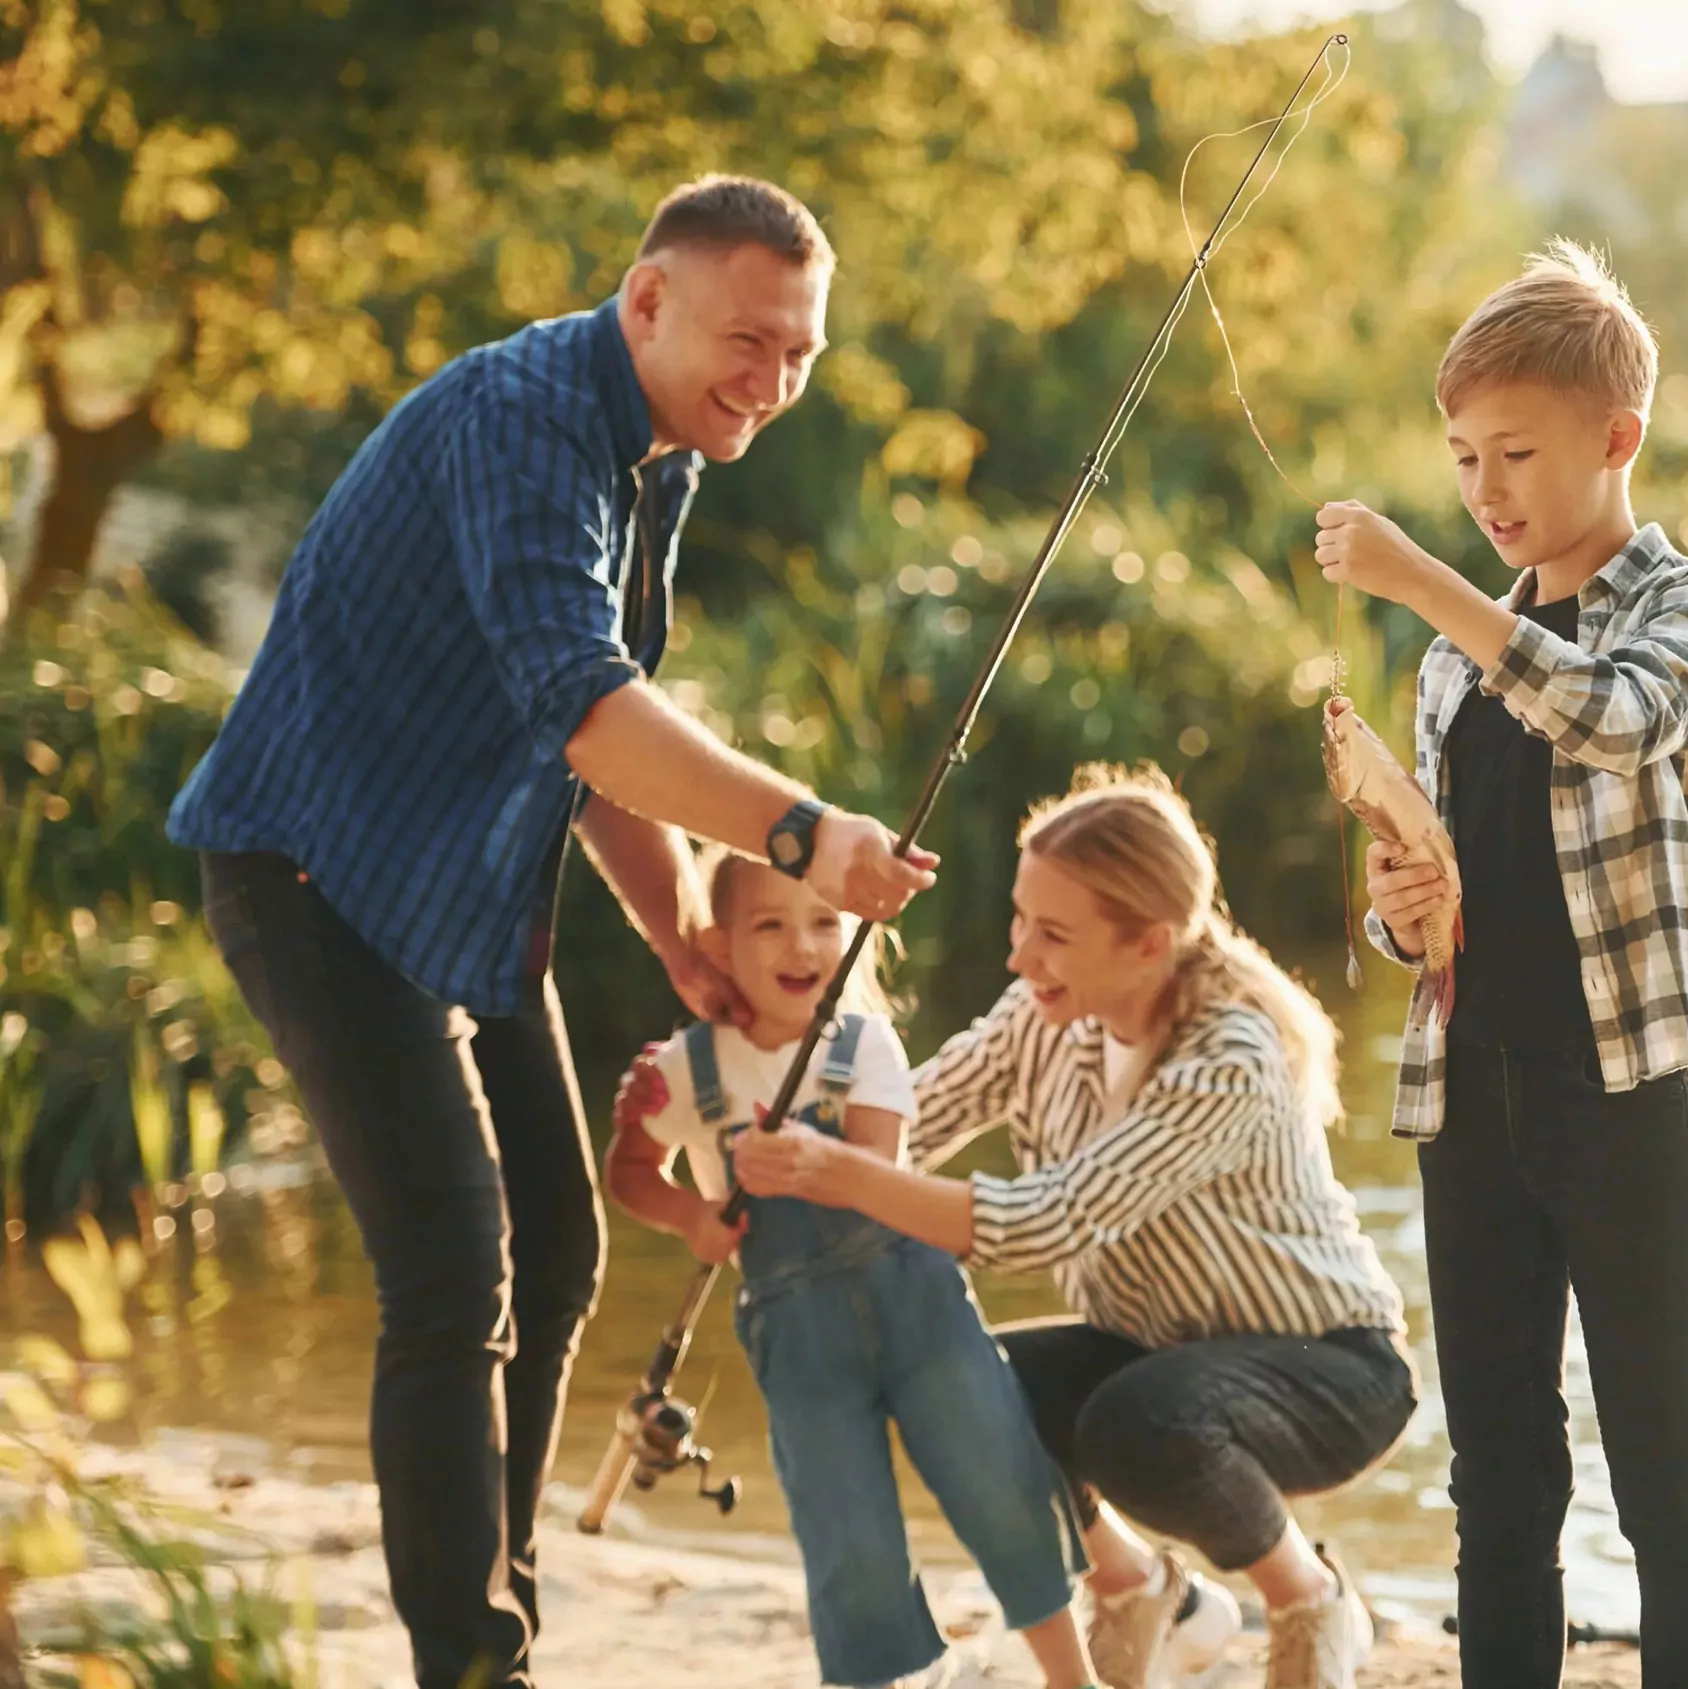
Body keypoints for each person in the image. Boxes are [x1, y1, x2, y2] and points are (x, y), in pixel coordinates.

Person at [167, 175, 936, 1689]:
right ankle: (473, 1664)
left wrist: (676, 934)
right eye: (748, 340)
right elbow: (588, 703)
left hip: (461, 879)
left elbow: (588, 746)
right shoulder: (525, 419)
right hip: (318, 877)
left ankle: (495, 1618)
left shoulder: (655, 452)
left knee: (565, 1246)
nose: (772, 383)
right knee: (455, 1279)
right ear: (647, 300)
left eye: (799, 356)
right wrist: (800, 836)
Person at [1310, 240, 1688, 1689]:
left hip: (1628, 1100)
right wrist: (1398, 895)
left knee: (1661, 1475)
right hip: (1475, 1099)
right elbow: (1447, 888)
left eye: (1515, 453)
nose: (1486, 490)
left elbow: (1614, 720)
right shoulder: (1455, 659)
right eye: (1461, 459)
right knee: (1499, 1480)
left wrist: (1429, 582)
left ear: (1617, 439)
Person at [725, 767, 1419, 1689]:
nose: (1020, 955)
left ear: (1148, 945)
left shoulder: (1230, 1057)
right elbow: (904, 1118)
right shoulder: (1044, 1013)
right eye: (1020, 920)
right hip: (1153, 1348)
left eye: (1052, 934)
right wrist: (771, 1144)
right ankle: (1146, 1593)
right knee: (952, 1383)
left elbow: (1044, 1219)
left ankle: (1308, 1598)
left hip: (1330, 1370)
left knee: (1143, 1420)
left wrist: (841, 1174)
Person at [605, 847, 1095, 1689]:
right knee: (847, 1533)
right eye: (771, 926)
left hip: (915, 1301)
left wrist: (798, 1159)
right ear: (718, 948)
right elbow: (628, 1169)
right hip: (797, 1332)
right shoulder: (685, 1067)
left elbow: (878, 1168)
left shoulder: (865, 1043)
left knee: (997, 1477)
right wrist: (691, 1215)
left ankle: (1070, 1676)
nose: (803, 946)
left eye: (824, 922)